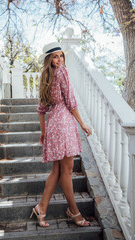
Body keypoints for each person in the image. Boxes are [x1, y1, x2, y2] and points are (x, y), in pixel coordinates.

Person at [30, 42, 92, 227]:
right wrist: (83, 124)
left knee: (57, 170)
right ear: (49, 59)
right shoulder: (63, 72)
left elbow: (42, 110)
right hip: (63, 123)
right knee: (66, 170)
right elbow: (71, 102)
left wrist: (43, 132)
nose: (59, 60)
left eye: (61, 56)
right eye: (55, 56)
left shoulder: (45, 76)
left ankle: (41, 208)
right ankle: (74, 211)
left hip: (54, 123)